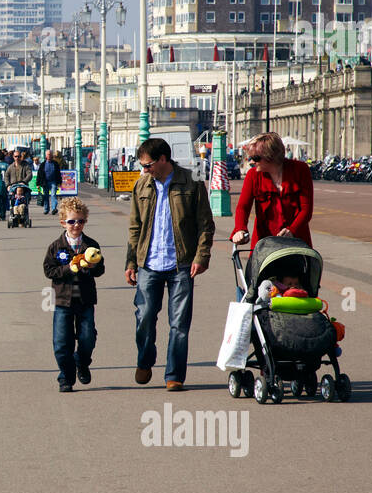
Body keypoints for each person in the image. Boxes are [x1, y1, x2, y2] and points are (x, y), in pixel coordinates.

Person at [125, 137, 215, 391]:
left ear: (164, 159)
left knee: (179, 324)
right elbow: (134, 227)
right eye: (142, 165)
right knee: (144, 317)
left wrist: (201, 256)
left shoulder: (191, 182)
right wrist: (131, 262)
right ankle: (145, 359)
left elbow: (205, 225)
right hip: (148, 263)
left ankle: (174, 375)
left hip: (182, 264)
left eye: (148, 164)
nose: (144, 170)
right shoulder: (141, 185)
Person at [43, 198, 106, 392]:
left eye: (80, 221)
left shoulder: (91, 245)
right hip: (63, 300)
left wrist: (94, 266)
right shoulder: (56, 246)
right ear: (63, 222)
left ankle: (82, 362)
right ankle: (66, 377)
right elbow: (49, 270)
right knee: (62, 343)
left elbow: (100, 270)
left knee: (87, 338)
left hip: (85, 300)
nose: (76, 225)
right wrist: (69, 269)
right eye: (71, 221)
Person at [230, 132, 314, 250]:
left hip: (297, 241)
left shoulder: (300, 170)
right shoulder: (252, 175)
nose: (251, 162)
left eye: (256, 158)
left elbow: (306, 209)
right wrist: (240, 229)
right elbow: (243, 207)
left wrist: (292, 230)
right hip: (264, 242)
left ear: (270, 157)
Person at [36, 150, 63, 214]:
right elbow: (39, 174)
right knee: (46, 196)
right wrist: (38, 183)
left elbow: (58, 174)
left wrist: (59, 182)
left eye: (50, 154)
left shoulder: (55, 164)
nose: (49, 155)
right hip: (45, 182)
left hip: (53, 181)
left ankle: (54, 208)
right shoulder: (43, 164)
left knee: (53, 195)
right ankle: (46, 209)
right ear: (46, 156)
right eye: (48, 154)